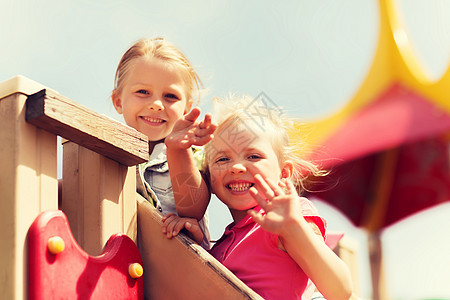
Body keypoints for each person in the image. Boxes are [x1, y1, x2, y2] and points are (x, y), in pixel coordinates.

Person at [162, 95, 353, 300]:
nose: (236, 167)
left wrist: (295, 229)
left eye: (253, 156)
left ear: (284, 173)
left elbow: (340, 290)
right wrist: (195, 245)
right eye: (223, 159)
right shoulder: (221, 248)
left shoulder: (287, 217)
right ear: (209, 180)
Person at [111, 38, 214, 250]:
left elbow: (193, 209)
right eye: (143, 92)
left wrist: (178, 150)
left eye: (170, 96)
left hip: (177, 266)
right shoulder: (105, 151)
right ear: (118, 101)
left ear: (187, 108)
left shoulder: (191, 150)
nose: (157, 105)